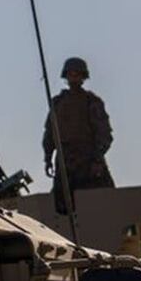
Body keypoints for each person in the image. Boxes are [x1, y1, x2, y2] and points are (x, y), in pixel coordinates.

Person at [42, 57, 114, 213]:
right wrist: (48, 158)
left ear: (83, 77)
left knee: (103, 206)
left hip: (88, 162)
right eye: (71, 74)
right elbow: (50, 134)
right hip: (65, 162)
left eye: (77, 74)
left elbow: (104, 135)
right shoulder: (58, 103)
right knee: (60, 209)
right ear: (66, 76)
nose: (74, 77)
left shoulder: (91, 102)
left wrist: (96, 159)